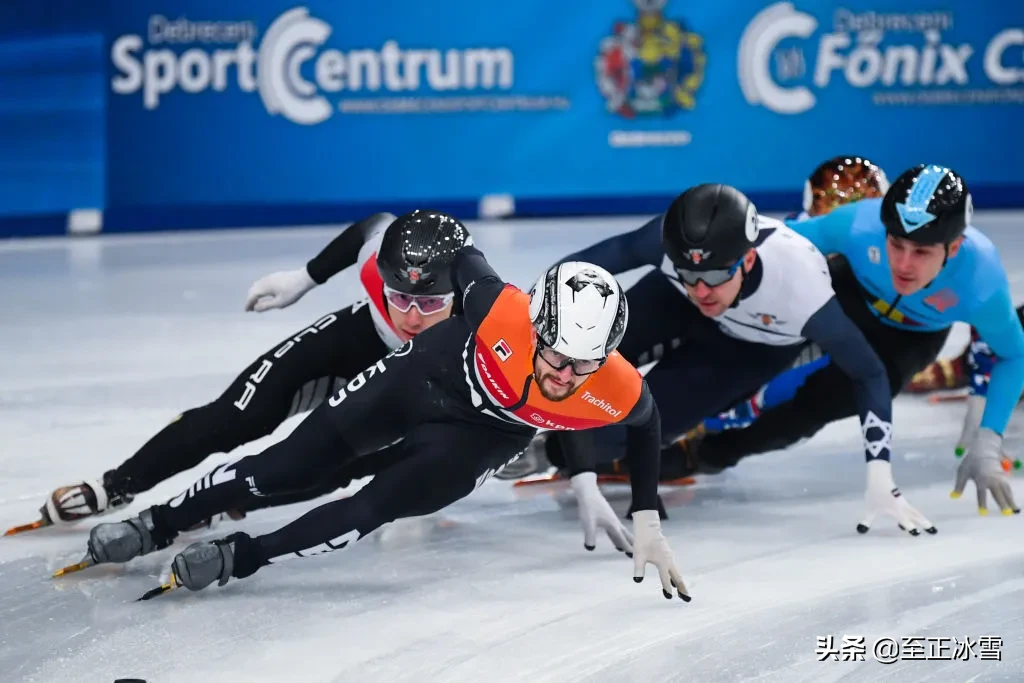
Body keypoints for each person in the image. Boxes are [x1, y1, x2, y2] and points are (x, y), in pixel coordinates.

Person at [59, 221, 690, 601]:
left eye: (582, 365)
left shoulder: (617, 387)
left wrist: (648, 520)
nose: (561, 373)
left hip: (476, 441)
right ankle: (160, 521)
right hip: (420, 380)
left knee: (371, 507)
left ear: (605, 356)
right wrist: (313, 274)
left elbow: (649, 427)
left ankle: (243, 556)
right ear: (535, 322)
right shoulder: (498, 303)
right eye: (552, 351)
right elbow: (437, 238)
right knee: (283, 469)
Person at [511, 183, 933, 535]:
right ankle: (506, 419)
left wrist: (880, 474)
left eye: (714, 276)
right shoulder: (672, 252)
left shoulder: (801, 286)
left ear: (748, 259)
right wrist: (519, 315)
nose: (702, 290)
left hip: (747, 350)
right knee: (566, 351)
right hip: (669, 303)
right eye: (688, 273)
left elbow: (870, 373)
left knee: (634, 425)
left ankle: (552, 454)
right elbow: (580, 271)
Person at [11, 210, 463, 535]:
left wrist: (534, 448)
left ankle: (228, 503)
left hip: (421, 379)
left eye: (428, 304)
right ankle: (117, 485)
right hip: (361, 338)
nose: (411, 317)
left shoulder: (481, 320)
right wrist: (304, 278)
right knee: (236, 416)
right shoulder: (375, 271)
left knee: (333, 462)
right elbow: (373, 224)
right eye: (398, 297)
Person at [664, 165, 1023, 517]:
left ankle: (706, 456)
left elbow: (1014, 355)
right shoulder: (858, 224)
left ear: (955, 247)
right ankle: (658, 415)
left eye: (922, 251)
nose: (904, 264)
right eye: (895, 244)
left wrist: (988, 441)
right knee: (753, 352)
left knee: (817, 408)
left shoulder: (982, 283)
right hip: (849, 293)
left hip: (913, 336)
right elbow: (772, 248)